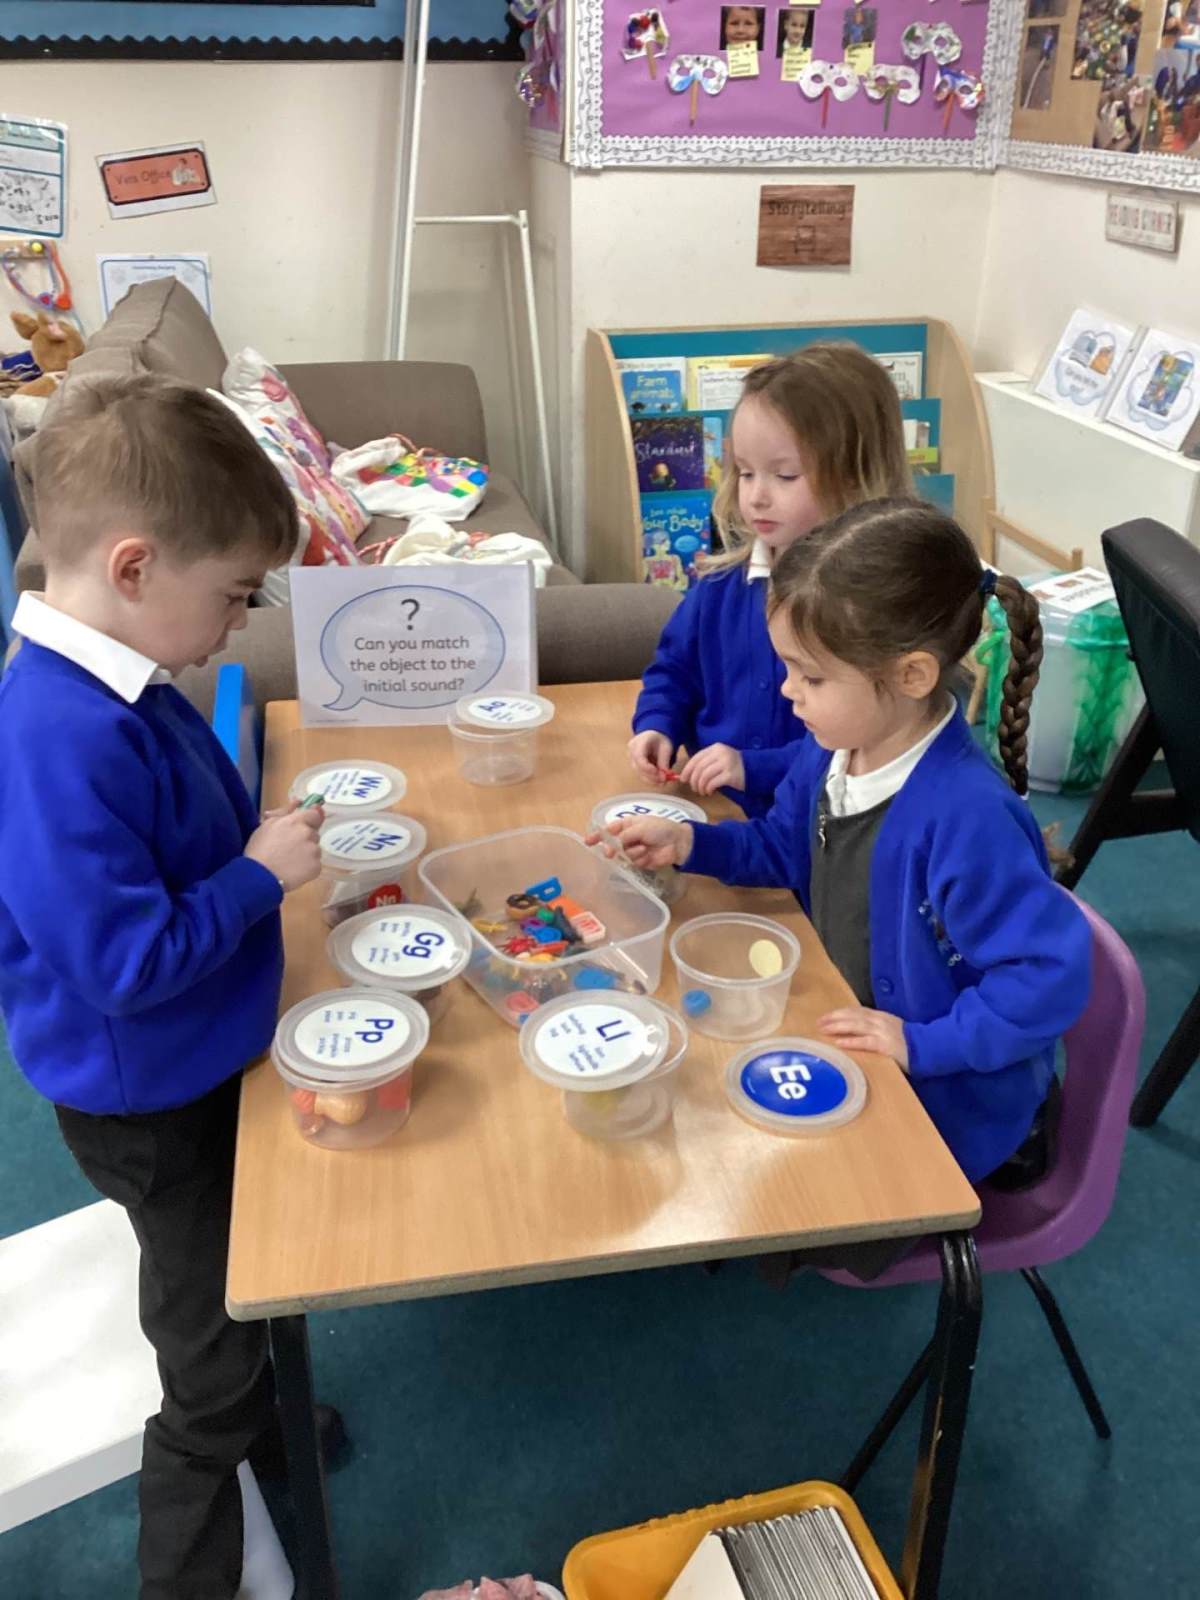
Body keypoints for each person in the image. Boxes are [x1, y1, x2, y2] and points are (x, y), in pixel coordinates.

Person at [0, 374, 328, 1599]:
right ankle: (191, 1554)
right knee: (206, 1355)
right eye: (234, 594)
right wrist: (256, 879)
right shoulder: (56, 733)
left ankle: (272, 1422)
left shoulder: (119, 678)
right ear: (134, 567)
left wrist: (255, 862)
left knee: (251, 1266)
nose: (239, 622)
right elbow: (123, 965)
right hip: (148, 1101)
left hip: (193, 1059)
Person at [603, 499, 1093, 1188]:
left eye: (811, 676)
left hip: (943, 1102)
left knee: (782, 1196)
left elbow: (1047, 979)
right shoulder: (837, 747)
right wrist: (691, 843)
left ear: (912, 676)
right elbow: (784, 847)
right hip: (850, 1023)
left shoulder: (969, 819)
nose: (788, 691)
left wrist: (922, 1044)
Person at [629, 344, 911, 817]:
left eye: (785, 475)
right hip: (713, 805)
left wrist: (752, 768)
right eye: (744, 473)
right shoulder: (721, 584)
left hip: (814, 827)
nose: (756, 496)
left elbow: (866, 746)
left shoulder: (873, 610)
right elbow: (674, 670)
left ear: (857, 477)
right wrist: (658, 724)